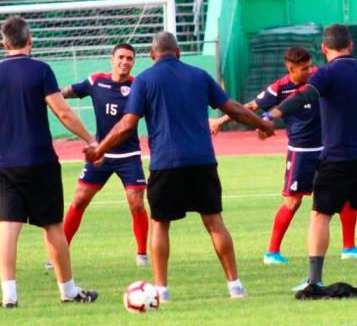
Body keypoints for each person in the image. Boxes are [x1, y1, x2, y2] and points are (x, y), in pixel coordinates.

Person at [85, 31, 272, 302]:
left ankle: (161, 290)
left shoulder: (145, 80)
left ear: (151, 55)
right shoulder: (199, 75)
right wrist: (264, 123)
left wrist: (99, 149)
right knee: (215, 222)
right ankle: (235, 286)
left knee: (160, 224)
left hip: (165, 163)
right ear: (179, 53)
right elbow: (232, 109)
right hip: (202, 161)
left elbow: (127, 125)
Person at [0, 16, 99, 307]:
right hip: (40, 161)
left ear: (4, 43)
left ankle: (9, 297)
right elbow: (62, 112)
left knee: (7, 228)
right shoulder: (41, 71)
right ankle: (68, 291)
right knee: (52, 227)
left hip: (5, 164)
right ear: (30, 40)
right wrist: (90, 139)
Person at [260, 24, 357, 291]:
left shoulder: (326, 73)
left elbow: (304, 95)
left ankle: (314, 279)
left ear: (324, 48)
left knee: (320, 216)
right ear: (351, 46)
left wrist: (271, 116)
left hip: (336, 157)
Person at [209, 46, 357, 264]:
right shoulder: (280, 88)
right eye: (304, 68)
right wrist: (220, 121)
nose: (309, 71)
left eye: (310, 65)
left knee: (345, 198)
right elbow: (251, 107)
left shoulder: (319, 80)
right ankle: (272, 252)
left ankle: (349, 247)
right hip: (301, 153)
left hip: (328, 149)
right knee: (292, 203)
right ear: (291, 69)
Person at [59, 43, 150, 267]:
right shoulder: (96, 81)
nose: (125, 62)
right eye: (121, 57)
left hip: (129, 155)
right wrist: (45, 94)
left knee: (136, 203)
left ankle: (142, 254)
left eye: (129, 58)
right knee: (79, 200)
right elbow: (65, 93)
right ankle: (60, 251)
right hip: (100, 155)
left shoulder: (138, 86)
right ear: (112, 59)